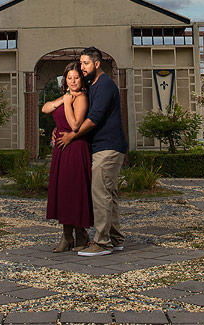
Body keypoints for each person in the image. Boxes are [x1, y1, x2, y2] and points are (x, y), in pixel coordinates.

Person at [56, 46, 127, 256]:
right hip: (102, 146)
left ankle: (102, 243)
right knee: (109, 194)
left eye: (86, 63)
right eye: (81, 63)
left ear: (97, 64)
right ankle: (115, 238)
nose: (82, 67)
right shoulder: (92, 85)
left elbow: (94, 118)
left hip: (108, 147)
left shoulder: (105, 85)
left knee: (100, 194)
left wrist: (72, 135)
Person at [42, 61, 92, 251]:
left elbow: (74, 125)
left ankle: (80, 236)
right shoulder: (67, 97)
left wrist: (68, 102)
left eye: (76, 77)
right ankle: (66, 236)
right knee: (62, 193)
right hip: (61, 150)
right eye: (69, 78)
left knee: (75, 192)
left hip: (76, 148)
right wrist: (62, 100)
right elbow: (45, 109)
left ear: (82, 79)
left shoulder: (81, 98)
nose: (73, 81)